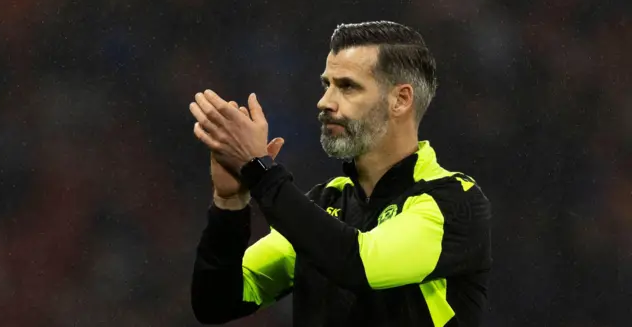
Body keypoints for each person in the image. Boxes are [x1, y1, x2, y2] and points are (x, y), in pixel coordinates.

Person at [188, 21, 492, 327]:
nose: (324, 102)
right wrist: (229, 203)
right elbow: (216, 303)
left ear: (400, 100)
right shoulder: (326, 202)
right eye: (326, 85)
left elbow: (359, 264)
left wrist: (259, 170)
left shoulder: (453, 202)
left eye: (347, 86)